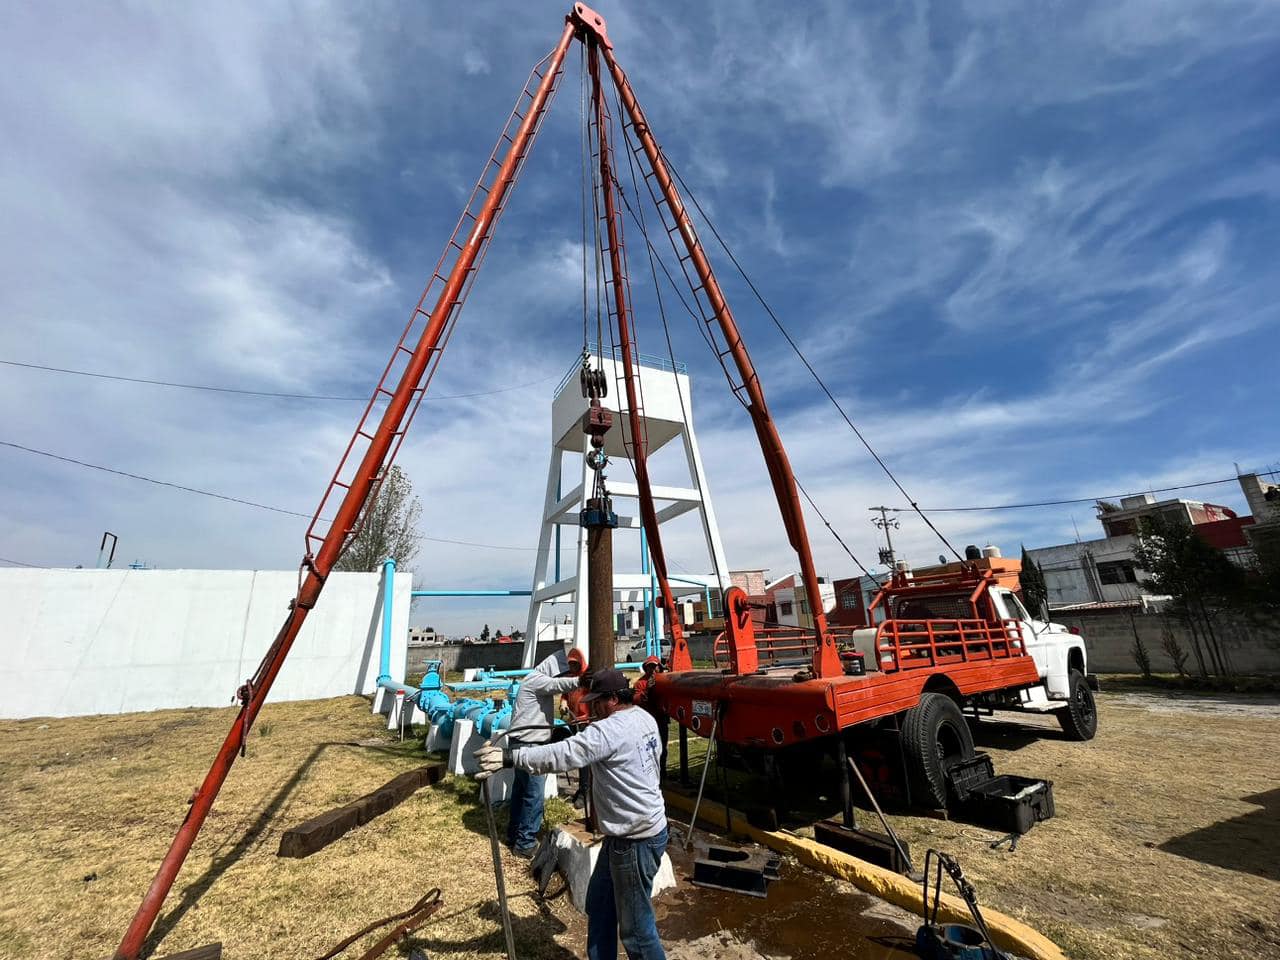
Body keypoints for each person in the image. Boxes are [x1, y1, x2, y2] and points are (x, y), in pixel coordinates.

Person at [476, 668, 668, 960]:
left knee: (637, 931)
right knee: (600, 905)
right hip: (631, 833)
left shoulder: (608, 731)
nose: (591, 708)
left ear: (614, 699)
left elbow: (561, 755)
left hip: (634, 840)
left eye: (597, 702)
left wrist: (509, 757)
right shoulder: (644, 718)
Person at [505, 646, 586, 856]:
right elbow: (556, 684)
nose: (564, 676)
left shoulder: (533, 680)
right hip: (530, 745)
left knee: (520, 792)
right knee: (533, 796)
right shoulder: (537, 679)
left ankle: (514, 835)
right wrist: (581, 681)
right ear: (552, 669)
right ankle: (525, 844)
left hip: (520, 742)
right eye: (562, 673)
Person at [630, 656, 669, 783]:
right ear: (646, 668)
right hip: (646, 722)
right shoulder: (641, 683)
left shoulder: (664, 682)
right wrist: (647, 690)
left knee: (662, 747)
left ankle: (662, 773)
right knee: (648, 749)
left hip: (661, 719)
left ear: (659, 667)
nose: (652, 669)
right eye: (650, 666)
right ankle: (649, 774)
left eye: (655, 666)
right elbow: (636, 700)